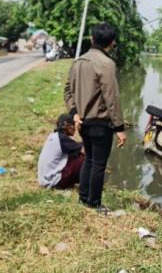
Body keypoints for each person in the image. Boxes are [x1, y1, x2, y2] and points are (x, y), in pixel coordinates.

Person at [64, 22, 127, 213]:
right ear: (112, 42)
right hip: (100, 123)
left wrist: (74, 112)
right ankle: (94, 203)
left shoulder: (78, 62)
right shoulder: (106, 64)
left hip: (82, 122)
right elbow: (112, 97)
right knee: (98, 163)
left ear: (92, 39)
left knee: (89, 159)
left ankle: (84, 198)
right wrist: (119, 128)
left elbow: (67, 90)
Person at [37, 114, 85, 189]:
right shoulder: (62, 139)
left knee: (74, 156)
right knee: (83, 159)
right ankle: (88, 183)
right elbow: (83, 149)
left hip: (45, 179)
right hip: (54, 181)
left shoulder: (53, 136)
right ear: (66, 126)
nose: (75, 128)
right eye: (73, 125)